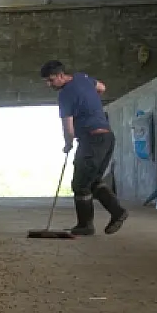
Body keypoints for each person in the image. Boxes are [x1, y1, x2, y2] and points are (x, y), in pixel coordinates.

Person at [40, 60, 128, 236]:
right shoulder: (82, 78)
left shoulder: (65, 95)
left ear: (60, 75)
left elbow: (68, 126)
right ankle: (113, 213)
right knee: (92, 180)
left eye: (51, 80)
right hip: (107, 137)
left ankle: (89, 224)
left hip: (91, 139)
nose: (49, 84)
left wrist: (68, 143)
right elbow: (102, 88)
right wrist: (89, 100)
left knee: (80, 184)